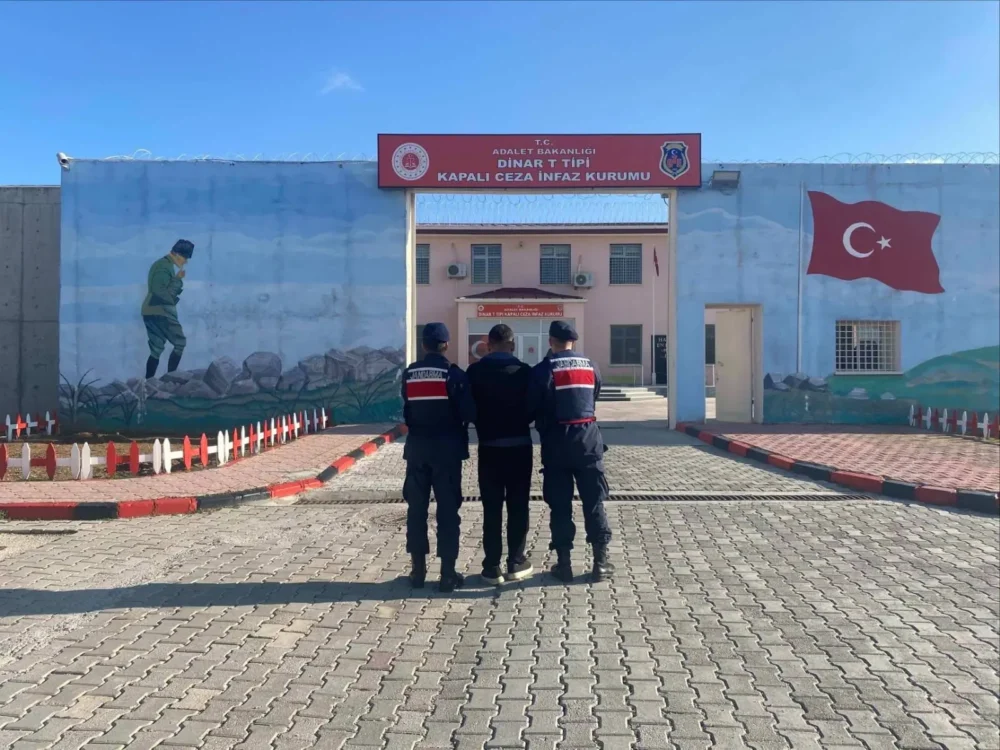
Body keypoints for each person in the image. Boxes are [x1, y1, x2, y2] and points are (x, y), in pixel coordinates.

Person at [528, 320, 613, 583]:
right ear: (573, 341)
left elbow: (534, 406)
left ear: (550, 341)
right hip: (588, 444)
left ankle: (564, 564)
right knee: (594, 502)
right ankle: (600, 562)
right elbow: (593, 397)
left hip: (556, 447)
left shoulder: (544, 369)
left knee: (560, 505)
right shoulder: (591, 366)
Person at [401, 322, 476, 592]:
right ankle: (447, 574)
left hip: (417, 451)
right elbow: (468, 412)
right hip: (447, 453)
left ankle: (417, 573)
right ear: (445, 344)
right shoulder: (453, 374)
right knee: (447, 512)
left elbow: (407, 411)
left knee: (416, 511)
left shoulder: (409, 374)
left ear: (423, 345)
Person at [466, 324, 534, 585]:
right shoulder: (525, 373)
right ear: (513, 345)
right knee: (518, 506)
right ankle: (516, 562)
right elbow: (533, 407)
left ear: (489, 345)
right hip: (519, 447)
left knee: (491, 507)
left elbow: (469, 409)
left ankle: (491, 567)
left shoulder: (475, 372)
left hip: (489, 448)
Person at [142, 239, 194, 379]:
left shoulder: (162, 265)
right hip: (161, 311)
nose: (185, 262)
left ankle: (148, 384)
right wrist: (177, 280)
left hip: (150, 310)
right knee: (180, 342)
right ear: (176, 254)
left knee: (156, 348)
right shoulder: (164, 267)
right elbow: (162, 293)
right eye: (185, 257)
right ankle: (170, 379)